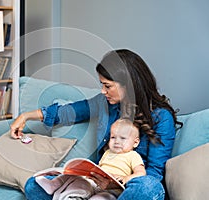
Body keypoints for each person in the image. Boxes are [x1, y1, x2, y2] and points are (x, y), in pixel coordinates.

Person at [10, 49, 182, 200]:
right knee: (34, 184)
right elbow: (69, 112)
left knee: (147, 187)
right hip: (99, 186)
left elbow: (154, 173)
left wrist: (117, 184)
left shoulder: (161, 117)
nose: (102, 91)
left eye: (107, 86)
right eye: (102, 85)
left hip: (131, 190)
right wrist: (26, 116)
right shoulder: (104, 103)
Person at [35, 118, 146, 200]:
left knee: (101, 198)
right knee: (77, 181)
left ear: (135, 142)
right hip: (94, 183)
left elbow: (141, 173)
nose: (117, 141)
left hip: (112, 190)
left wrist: (126, 178)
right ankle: (54, 184)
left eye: (122, 138)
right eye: (113, 137)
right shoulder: (107, 152)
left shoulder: (133, 155)